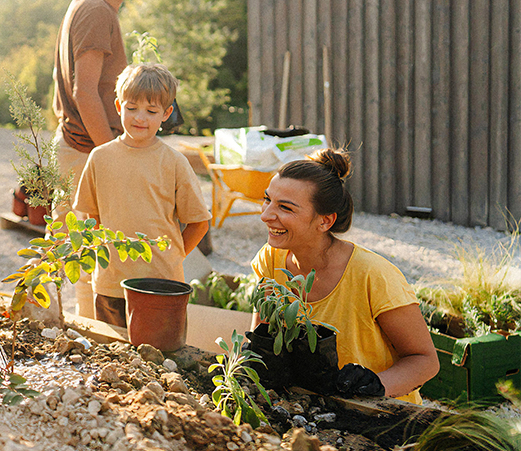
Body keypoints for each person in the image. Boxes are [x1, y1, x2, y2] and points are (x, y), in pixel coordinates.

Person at [250, 148, 439, 402]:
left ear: (325, 221)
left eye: (285, 207)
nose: (265, 215)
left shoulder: (373, 275)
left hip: (379, 414)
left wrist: (376, 385)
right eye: (267, 200)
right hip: (309, 404)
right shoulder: (269, 259)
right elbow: (262, 335)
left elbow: (425, 361)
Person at [51, 0, 154, 316]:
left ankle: (80, 341)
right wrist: (110, 155)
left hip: (77, 148)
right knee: (88, 260)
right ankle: (88, 347)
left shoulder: (89, 4)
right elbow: (84, 91)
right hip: (85, 153)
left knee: (78, 255)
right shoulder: (97, 11)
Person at [73, 63, 212, 327]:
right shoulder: (99, 158)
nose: (140, 118)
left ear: (166, 113)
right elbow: (92, 217)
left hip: (162, 283)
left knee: (159, 359)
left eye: (151, 111)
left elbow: (199, 223)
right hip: (110, 283)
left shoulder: (174, 162)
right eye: (131, 108)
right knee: (115, 355)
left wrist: (173, 257)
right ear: (118, 107)